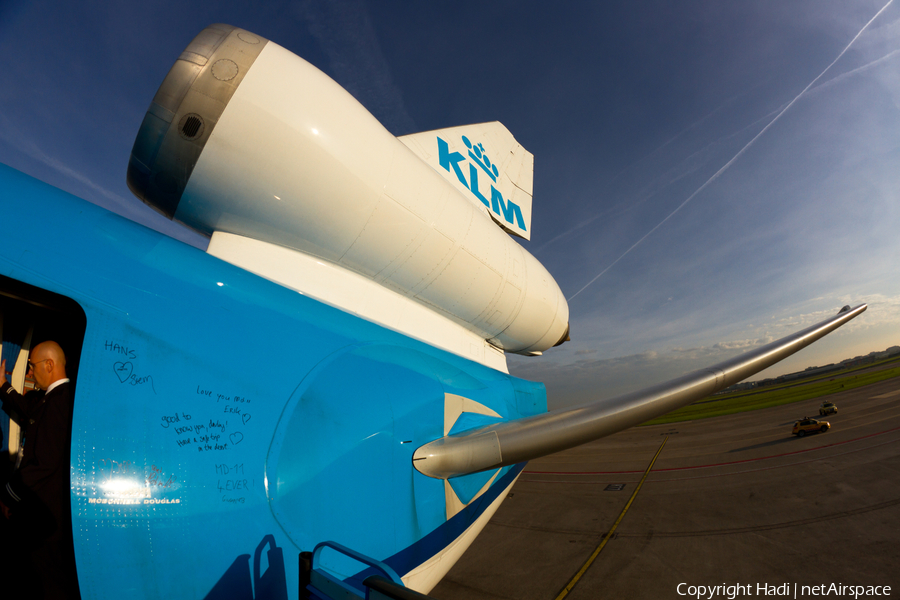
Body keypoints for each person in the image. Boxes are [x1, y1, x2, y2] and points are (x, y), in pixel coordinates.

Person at [0, 341, 78, 598]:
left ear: (49, 365)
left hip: (44, 519)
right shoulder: (55, 399)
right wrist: (4, 387)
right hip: (43, 515)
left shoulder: (59, 402)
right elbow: (31, 412)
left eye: (32, 367)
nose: (30, 373)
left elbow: (44, 463)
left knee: (47, 583)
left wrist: (8, 496)